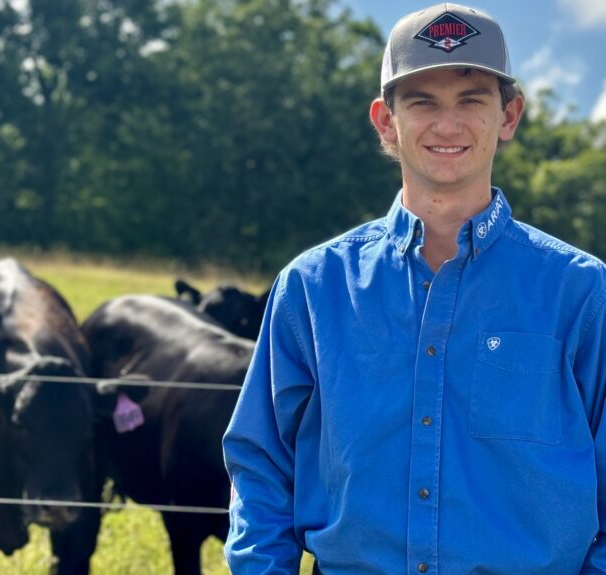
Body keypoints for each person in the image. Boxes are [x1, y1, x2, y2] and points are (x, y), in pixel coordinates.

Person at [222, 3, 606, 574]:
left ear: (509, 116)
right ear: (385, 121)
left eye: (471, 100)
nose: (447, 125)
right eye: (423, 102)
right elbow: (261, 467)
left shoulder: (583, 292)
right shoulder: (312, 288)